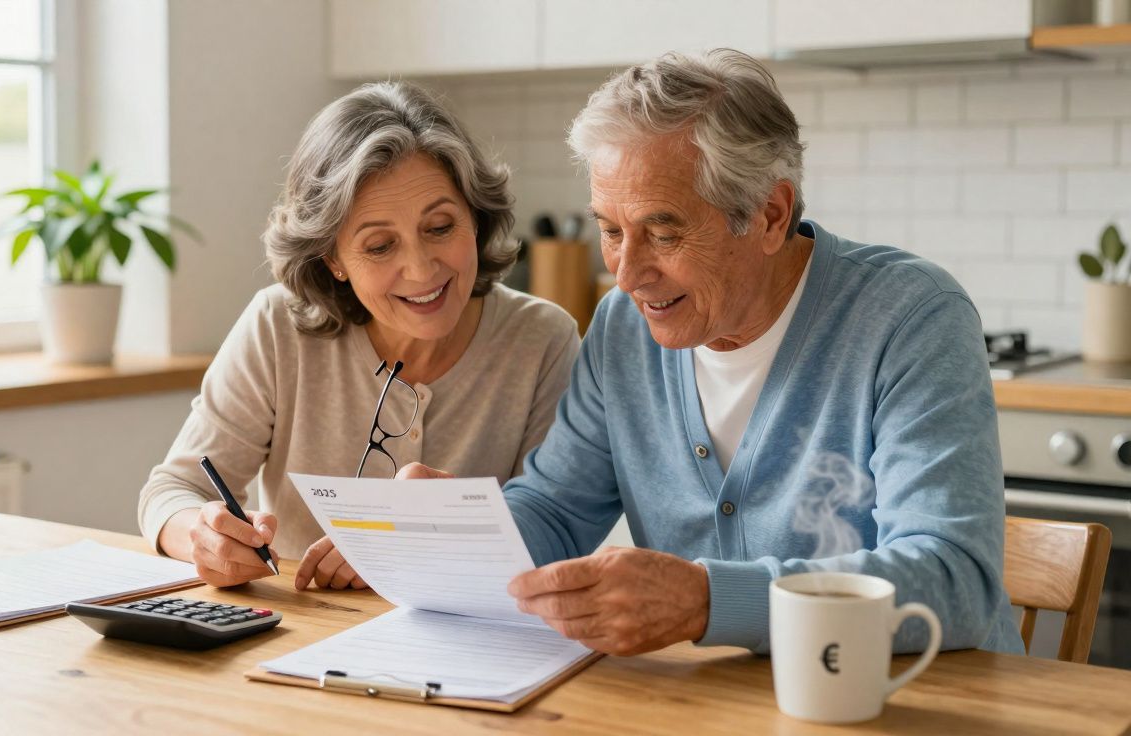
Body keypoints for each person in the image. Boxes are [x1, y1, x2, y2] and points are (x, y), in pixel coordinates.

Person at [400, 49, 1025, 658]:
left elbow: (953, 577)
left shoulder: (910, 317)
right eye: (611, 231)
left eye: (663, 232)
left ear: (770, 215)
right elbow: (557, 510)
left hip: (914, 697)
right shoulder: (623, 328)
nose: (627, 275)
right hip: (719, 704)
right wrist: (463, 532)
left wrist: (706, 601)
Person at [138, 82, 580, 589]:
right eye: (379, 246)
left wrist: (439, 530)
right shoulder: (277, 327)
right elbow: (172, 491)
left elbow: (556, 529)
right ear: (333, 259)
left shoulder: (542, 340)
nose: (421, 269)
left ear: (475, 219)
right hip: (303, 625)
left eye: (440, 227)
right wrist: (203, 535)